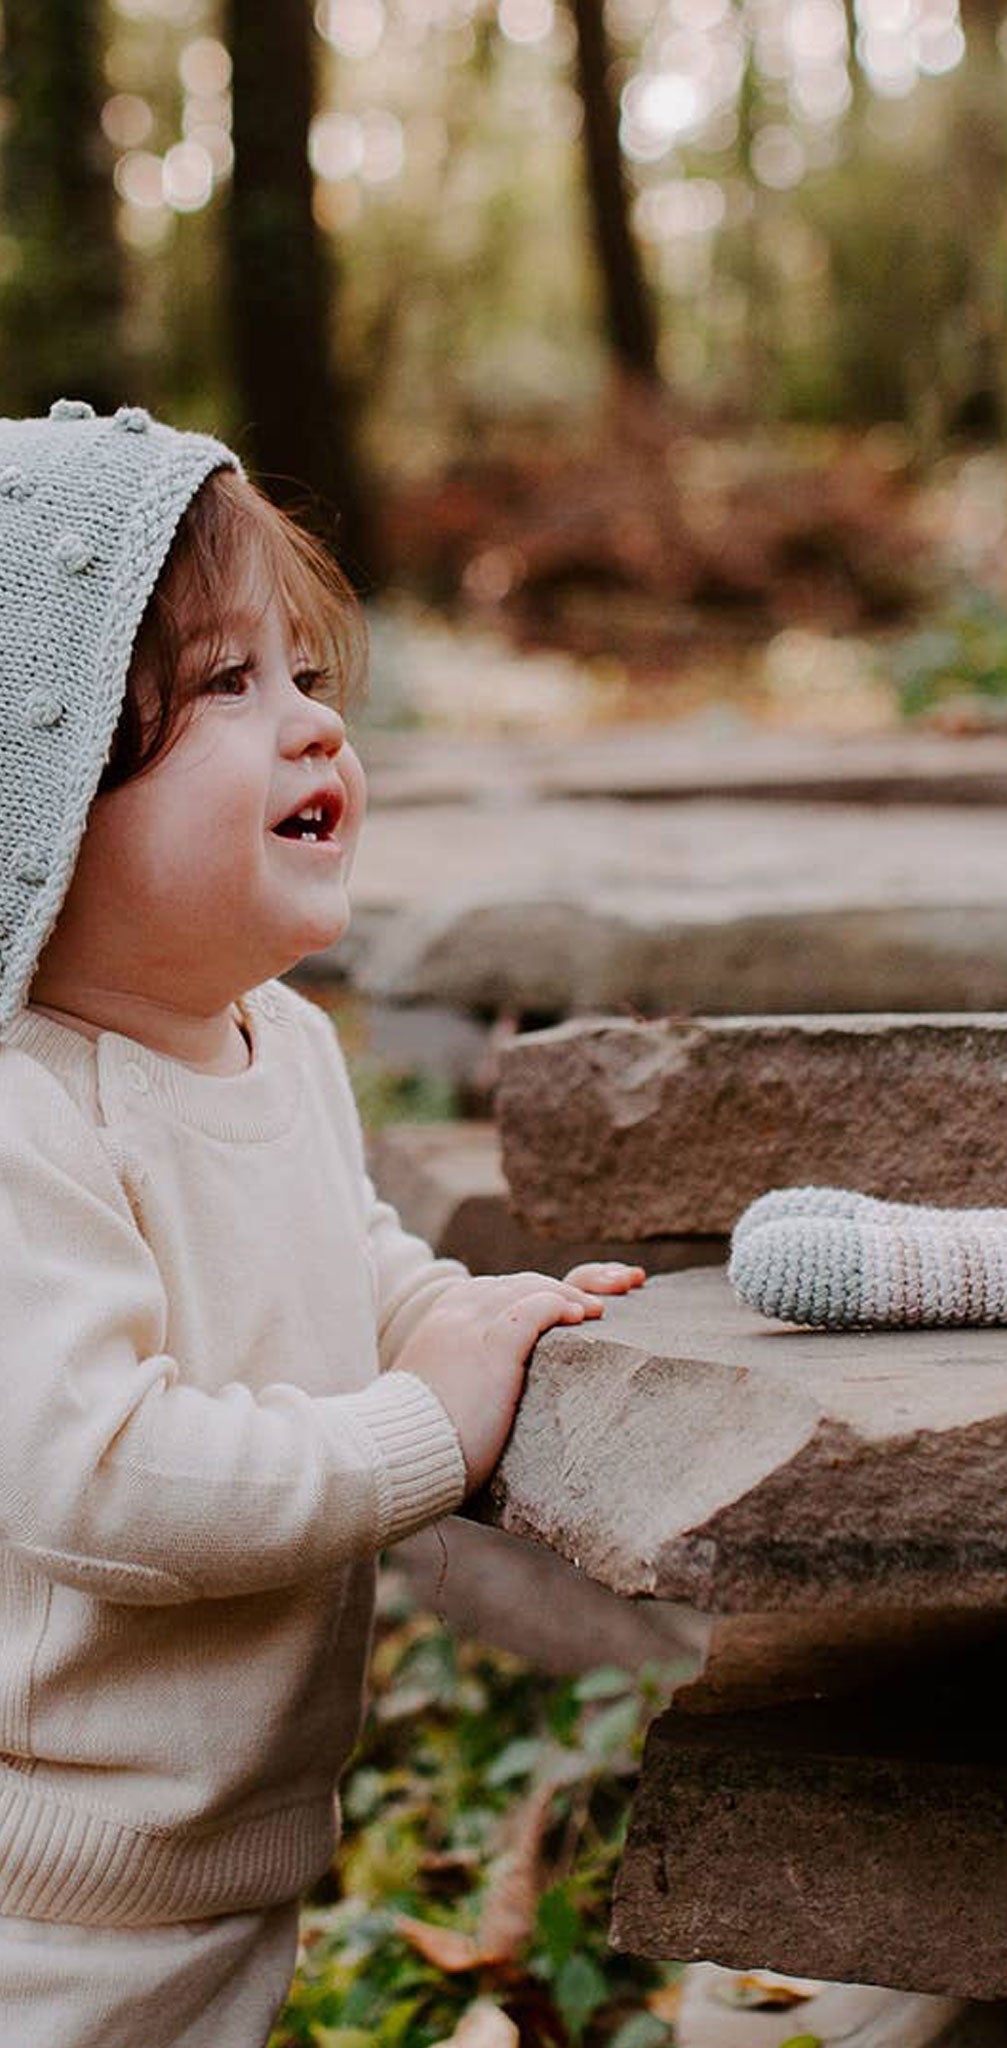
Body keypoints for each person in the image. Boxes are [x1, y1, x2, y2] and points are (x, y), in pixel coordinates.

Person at [0, 399, 645, 2046]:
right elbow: (101, 1475)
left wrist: (451, 1320)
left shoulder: (278, 1047)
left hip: (214, 1860)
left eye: (310, 678)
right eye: (228, 684)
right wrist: (425, 1431)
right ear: (41, 772)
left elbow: (334, 1257)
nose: (312, 732)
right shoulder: (21, 1116)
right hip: (39, 1908)